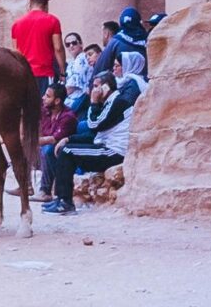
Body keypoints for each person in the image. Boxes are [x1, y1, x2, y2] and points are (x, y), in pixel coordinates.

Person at [43, 65, 142, 213]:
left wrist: (94, 102)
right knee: (65, 148)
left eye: (96, 86)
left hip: (114, 152)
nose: (93, 90)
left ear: (106, 87)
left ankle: (65, 202)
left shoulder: (118, 102)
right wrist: (68, 139)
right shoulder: (108, 103)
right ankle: (60, 199)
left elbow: (94, 124)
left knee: (68, 152)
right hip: (105, 146)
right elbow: (94, 134)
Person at [10, 0, 63, 91]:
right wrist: (62, 71)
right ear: (46, 4)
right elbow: (58, 48)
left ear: (30, 3)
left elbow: (16, 52)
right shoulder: (53, 21)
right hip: (45, 72)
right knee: (45, 100)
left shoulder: (16, 24)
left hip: (24, 74)